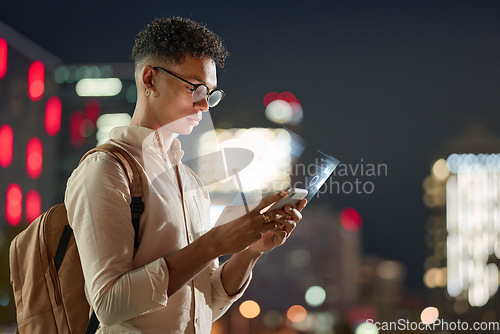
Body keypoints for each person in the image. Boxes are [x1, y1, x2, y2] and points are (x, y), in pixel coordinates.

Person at [65, 17, 306, 333]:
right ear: (150, 79)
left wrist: (250, 251)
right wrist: (214, 243)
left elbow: (202, 306)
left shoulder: (189, 180)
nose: (205, 105)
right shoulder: (107, 169)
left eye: (211, 93)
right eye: (196, 88)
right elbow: (109, 304)